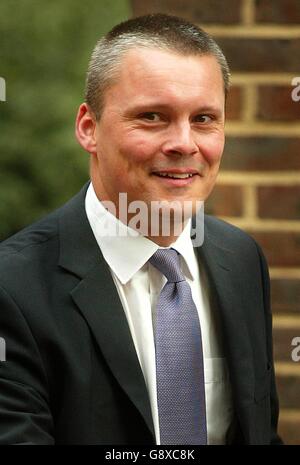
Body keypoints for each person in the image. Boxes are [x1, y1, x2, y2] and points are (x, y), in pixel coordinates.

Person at [0, 13, 282, 445]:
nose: (185, 143)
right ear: (88, 127)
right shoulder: (14, 287)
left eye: (204, 119)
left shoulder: (241, 259)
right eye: (152, 116)